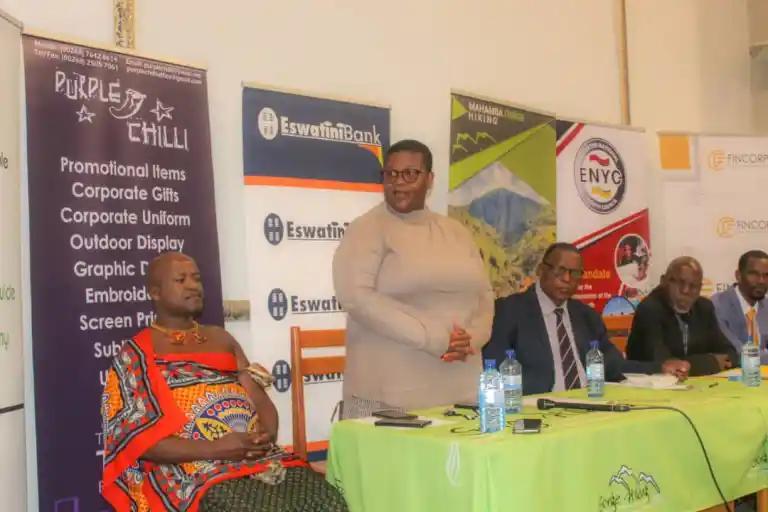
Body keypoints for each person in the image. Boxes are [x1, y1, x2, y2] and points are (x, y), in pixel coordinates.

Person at [101, 252, 347, 512]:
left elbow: (260, 400)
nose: (193, 286)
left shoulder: (222, 339)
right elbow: (138, 441)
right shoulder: (136, 354)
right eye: (181, 280)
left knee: (328, 502)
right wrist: (217, 448)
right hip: (192, 468)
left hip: (259, 459)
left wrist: (262, 439)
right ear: (155, 292)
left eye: (196, 278)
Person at [333, 139, 494, 417]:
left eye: (410, 173)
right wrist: (434, 338)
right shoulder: (367, 229)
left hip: (462, 389)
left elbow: (485, 294)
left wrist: (473, 339)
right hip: (390, 400)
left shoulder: (456, 232)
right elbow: (356, 298)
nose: (398, 182)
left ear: (429, 179)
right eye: (391, 174)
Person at [484, 243, 690, 395]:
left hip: (590, 403)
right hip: (540, 408)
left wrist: (660, 368)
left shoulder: (586, 316)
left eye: (575, 274)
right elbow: (494, 369)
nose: (567, 279)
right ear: (541, 270)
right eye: (560, 271)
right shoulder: (509, 311)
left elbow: (614, 365)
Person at [626, 256, 737, 376]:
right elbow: (664, 364)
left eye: (693, 286)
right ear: (664, 281)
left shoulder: (704, 308)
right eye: (680, 283)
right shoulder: (650, 309)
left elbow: (730, 354)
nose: (685, 290)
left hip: (694, 384)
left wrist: (692, 364)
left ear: (700, 288)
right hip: (648, 383)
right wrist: (713, 362)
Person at [711, 250, 768, 363]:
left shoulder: (766, 305)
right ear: (738, 275)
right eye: (754, 274)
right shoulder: (717, 306)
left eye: (766, 275)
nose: (761, 281)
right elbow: (738, 354)